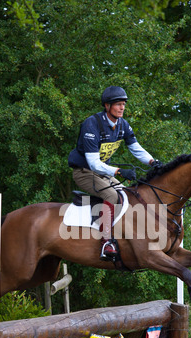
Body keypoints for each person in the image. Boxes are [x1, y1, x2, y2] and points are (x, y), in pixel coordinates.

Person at [68, 86, 158, 261]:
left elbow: (135, 148)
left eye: (123, 104)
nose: (122, 108)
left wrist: (152, 162)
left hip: (101, 173)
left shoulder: (122, 125)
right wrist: (118, 171)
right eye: (118, 104)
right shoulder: (92, 124)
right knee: (112, 196)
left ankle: (124, 235)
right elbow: (93, 163)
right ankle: (106, 242)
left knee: (128, 195)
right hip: (84, 172)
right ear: (107, 106)